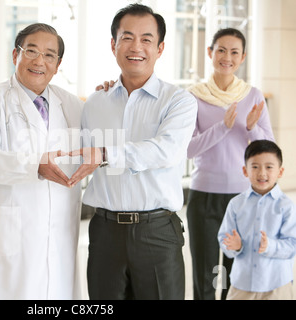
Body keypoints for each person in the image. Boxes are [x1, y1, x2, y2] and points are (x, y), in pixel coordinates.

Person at [70, 4, 198, 300]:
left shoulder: (178, 101)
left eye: (146, 39)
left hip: (157, 233)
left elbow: (166, 150)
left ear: (160, 47)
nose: (136, 47)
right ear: (113, 45)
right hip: (104, 233)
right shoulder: (95, 103)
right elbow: (79, 154)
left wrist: (105, 153)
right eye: (127, 38)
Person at [0, 23, 84, 299]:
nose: (39, 61)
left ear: (58, 64)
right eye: (31, 51)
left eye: (49, 55)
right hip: (9, 236)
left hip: (59, 233)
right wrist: (34, 165)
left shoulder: (73, 105)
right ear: (15, 55)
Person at [186, 28, 275, 300]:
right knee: (204, 273)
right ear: (210, 53)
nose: (227, 57)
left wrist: (251, 129)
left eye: (234, 52)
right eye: (221, 50)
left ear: (243, 57)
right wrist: (223, 127)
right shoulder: (193, 96)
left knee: (233, 273)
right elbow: (188, 149)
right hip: (204, 197)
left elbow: (269, 149)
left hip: (242, 199)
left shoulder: (253, 96)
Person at [218, 139, 296, 300]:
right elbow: (224, 238)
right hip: (242, 284)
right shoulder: (236, 204)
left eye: (269, 167)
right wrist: (234, 247)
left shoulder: (286, 206)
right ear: (245, 170)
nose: (262, 173)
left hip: (277, 285)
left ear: (280, 172)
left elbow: (292, 245)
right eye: (255, 167)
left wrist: (270, 245)